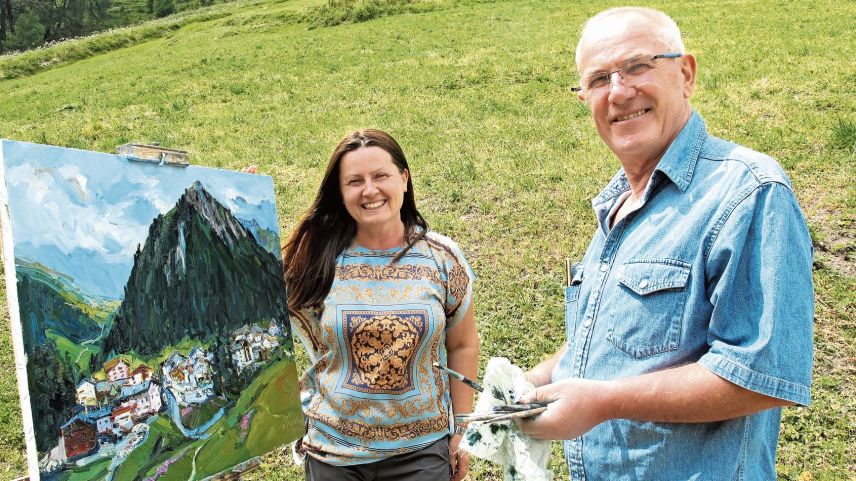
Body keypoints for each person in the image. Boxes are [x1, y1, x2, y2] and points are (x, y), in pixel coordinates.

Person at [516, 7, 814, 480]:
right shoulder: (617, 204)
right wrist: (537, 379)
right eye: (598, 79)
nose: (618, 92)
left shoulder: (748, 191)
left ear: (686, 74)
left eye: (637, 66)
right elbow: (614, 344)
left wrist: (604, 402)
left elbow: (762, 377)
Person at [282, 129, 478, 481]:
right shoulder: (316, 259)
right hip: (333, 451)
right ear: (340, 192)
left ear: (404, 179)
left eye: (380, 176)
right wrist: (239, 211)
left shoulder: (442, 259)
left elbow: (463, 344)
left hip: (421, 452)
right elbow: (250, 300)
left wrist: (462, 428)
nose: (369, 190)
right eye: (355, 181)